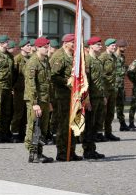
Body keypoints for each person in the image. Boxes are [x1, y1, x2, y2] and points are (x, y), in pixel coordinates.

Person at [50, 33, 80, 161]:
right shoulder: (59, 56)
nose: (74, 45)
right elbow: (53, 76)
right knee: (63, 124)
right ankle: (62, 152)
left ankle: (71, 151)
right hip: (61, 96)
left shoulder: (74, 56)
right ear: (66, 43)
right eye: (72, 42)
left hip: (72, 95)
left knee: (73, 123)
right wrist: (67, 81)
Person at [24, 37, 53, 163]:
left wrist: (49, 101)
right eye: (45, 47)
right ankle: (33, 153)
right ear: (37, 48)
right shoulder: (33, 63)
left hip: (45, 99)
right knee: (34, 127)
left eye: (48, 47)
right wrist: (35, 104)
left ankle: (40, 152)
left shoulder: (46, 61)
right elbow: (31, 85)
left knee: (43, 127)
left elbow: (48, 83)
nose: (47, 49)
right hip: (35, 100)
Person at [83, 37, 106, 160]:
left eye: (100, 44)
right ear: (91, 46)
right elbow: (86, 82)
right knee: (89, 125)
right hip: (91, 99)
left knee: (96, 125)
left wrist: (103, 96)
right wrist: (87, 100)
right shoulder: (88, 60)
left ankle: (92, 149)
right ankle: (87, 150)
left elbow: (100, 81)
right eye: (97, 45)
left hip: (98, 97)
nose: (100, 47)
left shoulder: (97, 60)